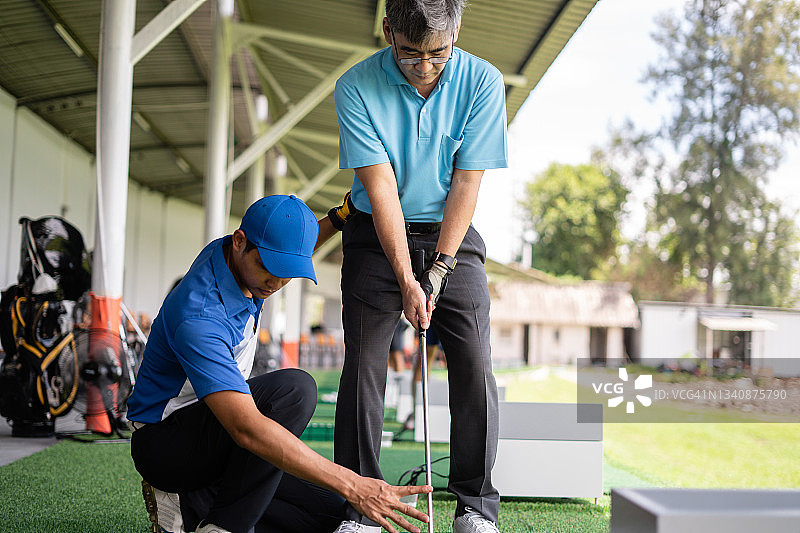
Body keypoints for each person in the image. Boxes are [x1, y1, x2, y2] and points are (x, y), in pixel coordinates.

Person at [126, 194, 430, 533]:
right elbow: (246, 429)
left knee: (338, 516)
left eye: (287, 271)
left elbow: (290, 246)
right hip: (168, 445)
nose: (277, 282)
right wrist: (355, 485)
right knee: (294, 391)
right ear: (240, 242)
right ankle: (222, 525)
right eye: (269, 268)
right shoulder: (199, 316)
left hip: (215, 436)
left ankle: (199, 501)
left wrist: (340, 217)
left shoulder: (234, 257)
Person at [332, 0, 507, 531]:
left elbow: (467, 182)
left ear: (457, 31)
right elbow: (379, 186)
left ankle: (475, 507)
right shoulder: (356, 86)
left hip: (450, 233)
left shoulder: (482, 81)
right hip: (376, 235)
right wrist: (408, 277)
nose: (425, 66)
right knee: (364, 362)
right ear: (388, 31)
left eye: (439, 53)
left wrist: (439, 271)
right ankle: (360, 505)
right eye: (410, 53)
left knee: (475, 361)